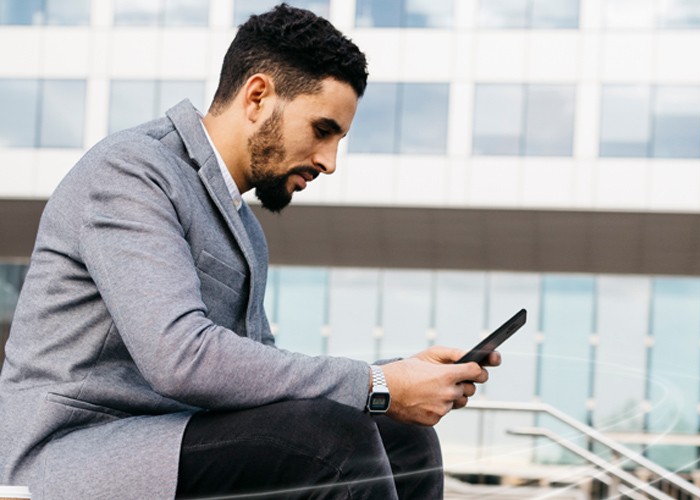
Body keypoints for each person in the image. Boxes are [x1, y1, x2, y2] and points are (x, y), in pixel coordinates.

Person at [0, 4, 500, 499]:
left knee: (403, 437)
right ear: (258, 97)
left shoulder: (243, 225)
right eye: (322, 130)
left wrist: (398, 375)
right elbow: (181, 358)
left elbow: (262, 375)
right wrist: (378, 383)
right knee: (330, 440)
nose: (329, 162)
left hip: (173, 438)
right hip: (75, 452)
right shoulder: (132, 172)